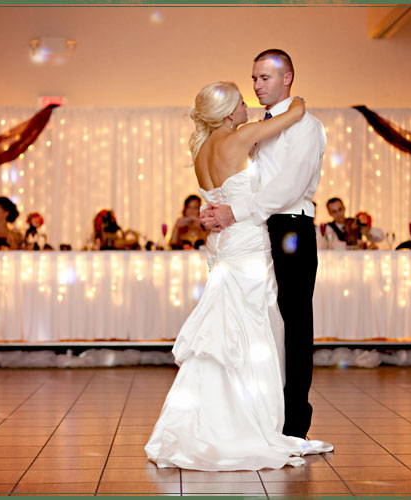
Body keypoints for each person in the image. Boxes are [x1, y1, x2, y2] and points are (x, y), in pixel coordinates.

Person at [145, 81, 332, 471]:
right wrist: (296, 99)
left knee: (222, 331)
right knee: (253, 328)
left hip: (222, 244)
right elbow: (295, 114)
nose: (249, 105)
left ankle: (206, 421)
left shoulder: (199, 151)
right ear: (230, 112)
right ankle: (252, 422)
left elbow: (215, 198)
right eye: (241, 101)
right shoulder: (241, 136)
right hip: (245, 241)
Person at [200, 49, 326, 440]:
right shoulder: (254, 128)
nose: (256, 86)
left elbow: (287, 188)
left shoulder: (305, 125)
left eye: (265, 78)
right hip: (258, 229)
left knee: (294, 322)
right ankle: (260, 413)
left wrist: (233, 212)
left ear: (287, 77)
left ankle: (294, 422)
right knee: (264, 322)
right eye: (253, 79)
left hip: (290, 228)